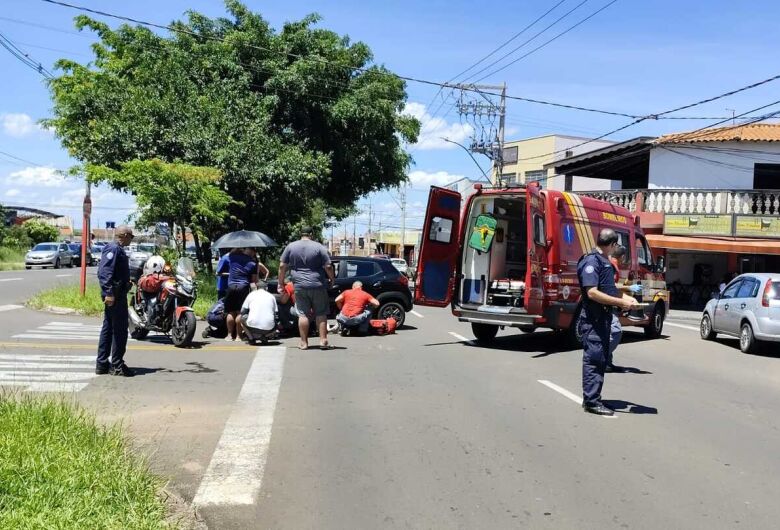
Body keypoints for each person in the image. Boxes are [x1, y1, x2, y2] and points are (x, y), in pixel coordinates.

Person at [577, 229, 639, 416]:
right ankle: (591, 402)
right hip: (593, 319)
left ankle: (594, 397)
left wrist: (627, 299)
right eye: (616, 245)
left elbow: (609, 290)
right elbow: (592, 292)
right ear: (612, 245)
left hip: (603, 318)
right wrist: (621, 302)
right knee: (594, 360)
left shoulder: (604, 262)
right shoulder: (592, 261)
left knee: (601, 358)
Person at [278, 226, 336, 350]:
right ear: (312, 234)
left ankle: (304, 343)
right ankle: (323, 340)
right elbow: (328, 266)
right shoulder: (319, 247)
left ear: (301, 233)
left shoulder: (291, 246)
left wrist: (280, 282)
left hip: (299, 285)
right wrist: (332, 279)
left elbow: (282, 266)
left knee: (302, 314)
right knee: (321, 313)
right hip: (318, 284)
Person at [96, 225, 135, 377]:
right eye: (131, 236)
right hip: (115, 296)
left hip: (117, 293)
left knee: (109, 328)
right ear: (124, 235)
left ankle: (102, 363)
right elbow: (105, 272)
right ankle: (117, 365)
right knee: (119, 330)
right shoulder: (113, 249)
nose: (131, 240)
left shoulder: (117, 249)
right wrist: (108, 293)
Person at [605, 246, 643, 373]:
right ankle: (598, 357)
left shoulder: (611, 264)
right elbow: (610, 286)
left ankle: (607, 363)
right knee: (615, 332)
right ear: (622, 257)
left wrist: (628, 297)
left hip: (611, 304)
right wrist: (629, 289)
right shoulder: (610, 266)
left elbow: (614, 289)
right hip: (606, 305)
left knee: (608, 333)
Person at [224, 247, 258, 341]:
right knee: (240, 312)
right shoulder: (252, 263)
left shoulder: (232, 257)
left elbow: (231, 252)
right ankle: (239, 336)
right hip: (243, 287)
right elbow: (254, 281)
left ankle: (229, 335)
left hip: (231, 286)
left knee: (231, 312)